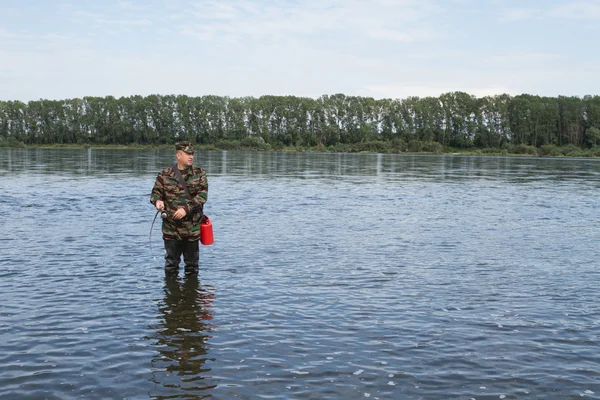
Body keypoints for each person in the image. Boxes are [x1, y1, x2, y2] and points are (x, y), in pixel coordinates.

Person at [150, 141, 208, 275]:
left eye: (192, 154)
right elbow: (155, 193)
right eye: (188, 154)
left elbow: (202, 196)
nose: (191, 157)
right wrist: (158, 201)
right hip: (171, 228)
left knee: (192, 267)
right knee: (171, 265)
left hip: (191, 229)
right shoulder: (164, 175)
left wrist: (185, 209)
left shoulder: (200, 174)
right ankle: (172, 295)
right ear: (178, 155)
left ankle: (191, 295)